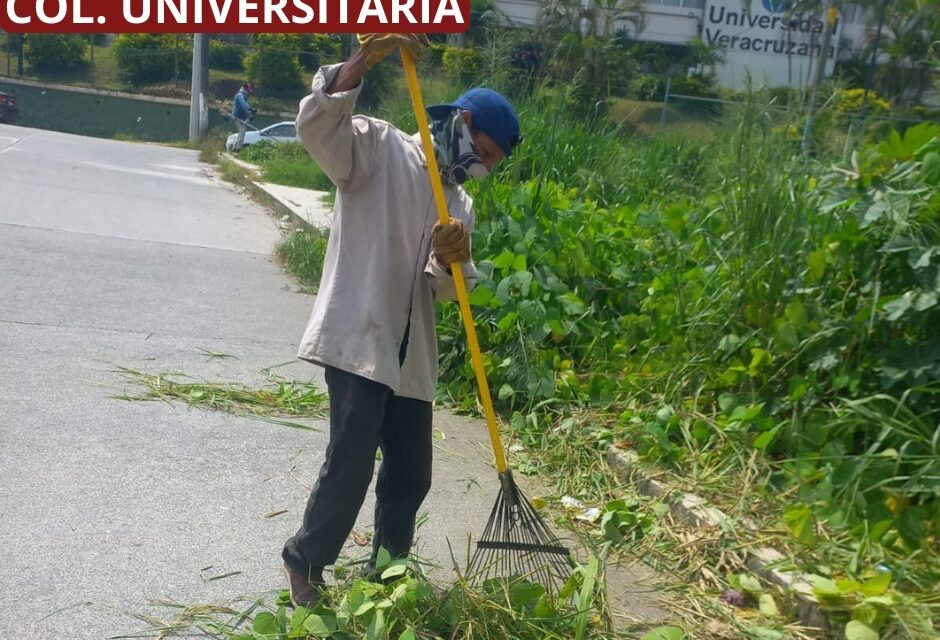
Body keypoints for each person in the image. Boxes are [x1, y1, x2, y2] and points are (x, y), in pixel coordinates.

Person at [280, 34, 521, 608]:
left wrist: (456, 259)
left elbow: (441, 289)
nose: (483, 168)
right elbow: (317, 128)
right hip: (361, 334)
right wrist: (361, 63)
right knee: (353, 460)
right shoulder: (376, 147)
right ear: (462, 122)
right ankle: (305, 561)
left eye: (492, 164)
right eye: (484, 153)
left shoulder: (459, 203)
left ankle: (386, 573)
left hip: (411, 357)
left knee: (412, 473)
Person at [231, 83, 254, 151]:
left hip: (240, 117)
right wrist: (250, 108)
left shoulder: (242, 95)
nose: (249, 92)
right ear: (245, 89)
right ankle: (238, 148)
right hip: (237, 116)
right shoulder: (240, 95)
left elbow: (244, 108)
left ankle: (235, 147)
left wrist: (250, 114)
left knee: (241, 131)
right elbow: (243, 105)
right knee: (242, 130)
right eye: (248, 91)